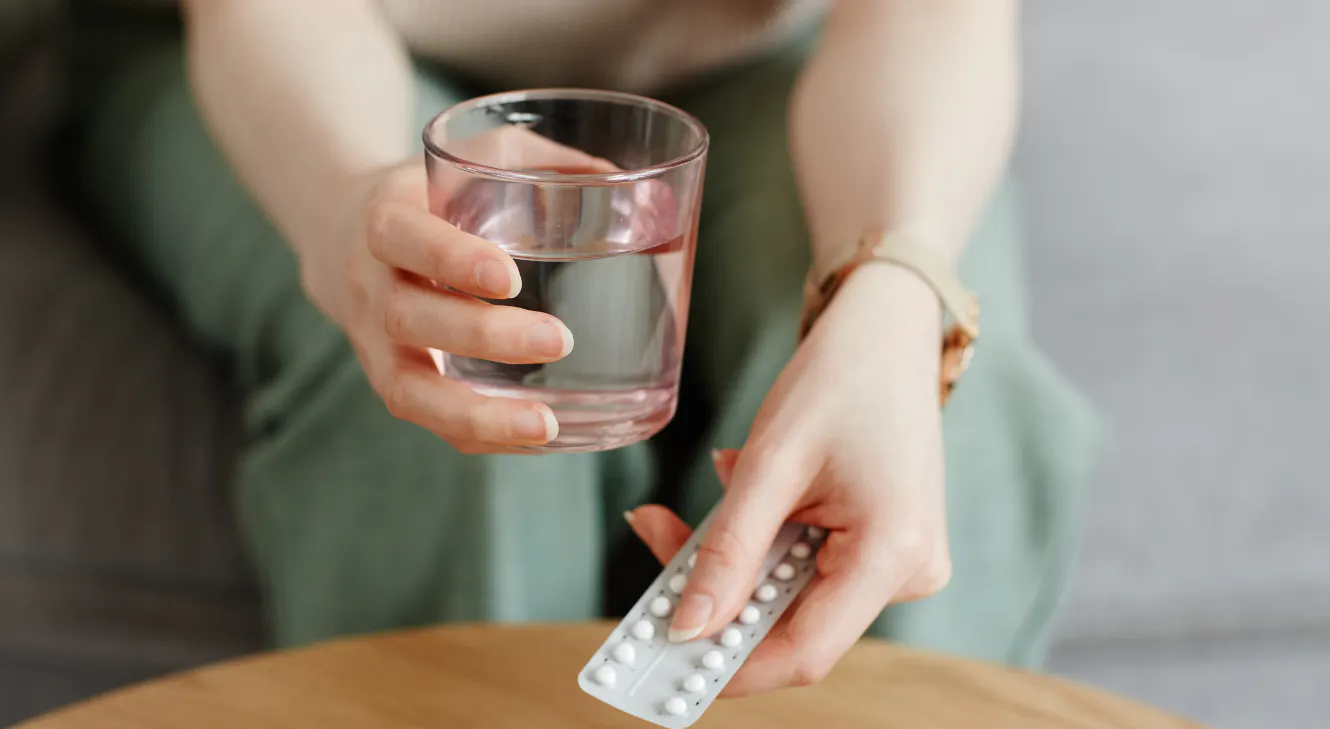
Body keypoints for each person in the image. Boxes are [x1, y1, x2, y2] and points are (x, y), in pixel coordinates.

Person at [64, 0, 1098, 696]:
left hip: (752, 59)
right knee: (446, 394)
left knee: (939, 399)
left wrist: (891, 290)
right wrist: (345, 201)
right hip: (288, 43)